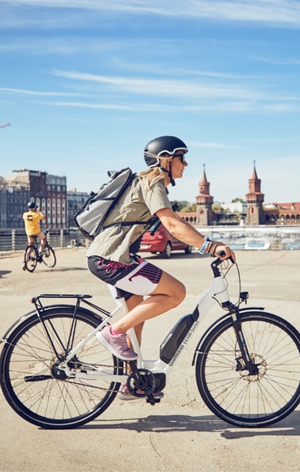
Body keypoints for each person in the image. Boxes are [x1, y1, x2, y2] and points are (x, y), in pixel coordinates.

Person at [87, 136, 235, 401]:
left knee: (137, 321)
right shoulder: (152, 182)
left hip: (113, 258)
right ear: (166, 159)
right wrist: (211, 248)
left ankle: (132, 383)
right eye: (182, 157)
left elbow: (179, 222)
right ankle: (112, 332)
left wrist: (210, 242)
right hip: (112, 259)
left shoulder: (150, 184)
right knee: (176, 292)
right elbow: (174, 228)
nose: (186, 164)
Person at [22, 201, 47, 270]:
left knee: (30, 247)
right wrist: (39, 211)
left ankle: (25, 263)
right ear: (35, 208)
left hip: (29, 233)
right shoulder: (36, 215)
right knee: (44, 239)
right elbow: (44, 218)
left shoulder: (25, 214)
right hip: (36, 232)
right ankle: (41, 250)